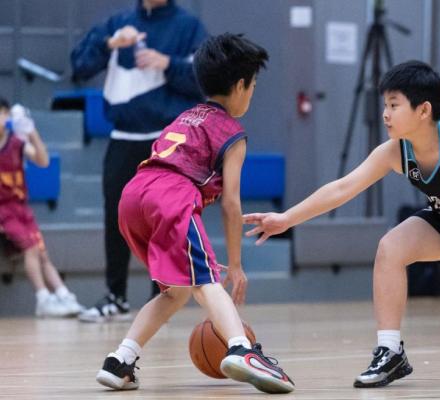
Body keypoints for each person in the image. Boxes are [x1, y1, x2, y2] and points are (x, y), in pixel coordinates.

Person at [243, 61, 440, 390]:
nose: (385, 114)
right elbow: (342, 188)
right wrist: (286, 219)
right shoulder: (395, 151)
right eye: (385, 105)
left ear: (423, 110)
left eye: (394, 105)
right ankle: (390, 352)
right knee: (390, 247)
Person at [94, 34, 295, 394]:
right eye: (253, 86)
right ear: (240, 85)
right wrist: (236, 265)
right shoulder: (232, 133)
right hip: (171, 197)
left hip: (133, 196)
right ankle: (242, 349)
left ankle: (120, 359)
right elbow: (231, 204)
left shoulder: (184, 117)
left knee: (175, 291)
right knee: (207, 281)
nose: (252, 94)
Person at [71, 0, 208, 322]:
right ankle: (115, 296)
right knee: (117, 216)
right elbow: (79, 65)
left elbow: (204, 79)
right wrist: (109, 44)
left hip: (167, 140)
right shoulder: (119, 23)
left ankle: (161, 296)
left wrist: (167, 63)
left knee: (163, 220)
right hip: (123, 136)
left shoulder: (188, 27)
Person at [0, 98, 83, 317]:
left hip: (21, 208)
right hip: (3, 211)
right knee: (31, 249)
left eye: (2, 113)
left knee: (42, 253)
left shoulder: (17, 142)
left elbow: (43, 161)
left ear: (7, 116)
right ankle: (42, 298)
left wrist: (32, 131)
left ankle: (64, 294)